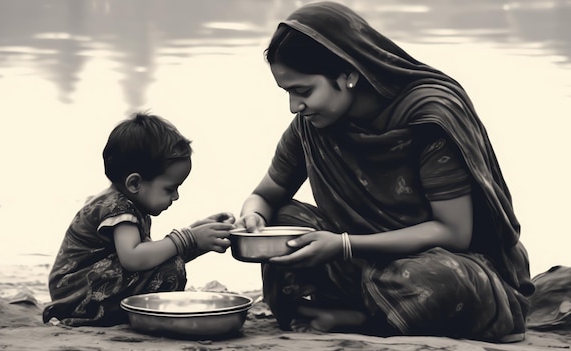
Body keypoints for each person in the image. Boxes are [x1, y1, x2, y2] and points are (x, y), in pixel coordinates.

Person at [235, 1, 534, 343]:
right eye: (288, 92)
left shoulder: (428, 118)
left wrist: (345, 245)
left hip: (441, 265)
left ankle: (359, 319)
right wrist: (252, 217)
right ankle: (359, 314)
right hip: (359, 265)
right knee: (282, 218)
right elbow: (265, 195)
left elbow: (454, 232)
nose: (294, 106)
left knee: (435, 281)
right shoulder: (313, 125)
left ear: (348, 74)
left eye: (303, 91)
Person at [42, 112, 235, 326]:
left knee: (167, 262)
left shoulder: (128, 203)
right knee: (170, 270)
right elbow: (133, 259)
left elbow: (150, 257)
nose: (176, 196)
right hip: (76, 295)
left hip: (80, 289)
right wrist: (188, 238)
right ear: (134, 183)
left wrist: (199, 234)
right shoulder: (118, 208)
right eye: (170, 189)